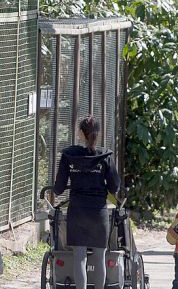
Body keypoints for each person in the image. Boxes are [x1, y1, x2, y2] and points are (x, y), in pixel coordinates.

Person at [52, 116, 121, 289]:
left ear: (81, 133)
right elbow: (114, 187)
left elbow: (59, 188)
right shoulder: (105, 156)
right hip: (98, 212)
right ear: (97, 133)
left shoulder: (69, 155)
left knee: (79, 257)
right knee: (99, 257)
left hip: (77, 211)